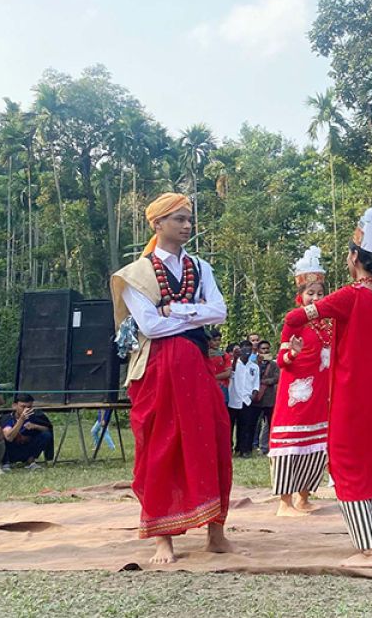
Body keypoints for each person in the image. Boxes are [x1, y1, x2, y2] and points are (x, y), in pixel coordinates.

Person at [282, 187, 372, 568]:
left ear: (356, 256)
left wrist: (292, 328)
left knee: (346, 459)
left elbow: (298, 317)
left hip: (351, 389)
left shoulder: (350, 294)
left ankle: (368, 548)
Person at [109, 192, 235, 564]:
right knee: (159, 447)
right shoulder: (133, 275)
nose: (186, 226)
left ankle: (216, 531)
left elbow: (220, 312)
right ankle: (162, 536)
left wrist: (176, 309)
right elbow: (150, 326)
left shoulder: (202, 268)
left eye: (188, 219)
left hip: (196, 368)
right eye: (178, 219)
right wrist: (193, 315)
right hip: (156, 370)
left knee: (212, 439)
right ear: (157, 224)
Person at [270, 246, 332, 517]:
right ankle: (285, 503)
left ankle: (304, 497)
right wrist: (293, 351)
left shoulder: (329, 323)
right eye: (310, 293)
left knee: (315, 446)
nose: (315, 298)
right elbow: (281, 360)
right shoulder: (294, 323)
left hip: (321, 394)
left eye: (319, 293)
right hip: (295, 393)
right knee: (290, 446)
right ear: (300, 296)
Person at [0, 393, 53, 467]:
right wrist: (21, 420)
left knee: (46, 435)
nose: (26, 410)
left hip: (28, 448)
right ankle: (6, 462)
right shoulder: (7, 418)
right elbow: (9, 437)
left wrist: (35, 426)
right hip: (12, 449)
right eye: (23, 407)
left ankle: (31, 460)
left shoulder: (35, 416)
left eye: (29, 407)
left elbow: (47, 429)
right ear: (14, 406)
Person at [227, 340, 260, 457]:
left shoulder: (254, 367)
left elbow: (256, 383)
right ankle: (229, 448)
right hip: (233, 399)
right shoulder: (234, 363)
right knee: (230, 427)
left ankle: (243, 449)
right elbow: (231, 373)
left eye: (249, 349)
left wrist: (254, 393)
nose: (247, 351)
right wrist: (235, 359)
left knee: (245, 426)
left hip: (247, 399)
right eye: (244, 348)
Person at [251, 339, 279, 453]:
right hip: (256, 397)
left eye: (267, 348)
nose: (265, 350)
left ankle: (267, 446)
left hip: (269, 398)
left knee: (270, 423)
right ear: (258, 350)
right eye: (263, 348)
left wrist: (265, 381)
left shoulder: (273, 364)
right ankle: (252, 445)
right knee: (254, 423)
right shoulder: (253, 363)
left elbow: (277, 378)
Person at [206, 328, 234, 406]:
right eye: (214, 340)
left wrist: (211, 377)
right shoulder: (203, 355)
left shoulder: (224, 355)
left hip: (222, 388)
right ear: (208, 341)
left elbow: (228, 373)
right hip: (207, 388)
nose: (217, 342)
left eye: (219, 340)